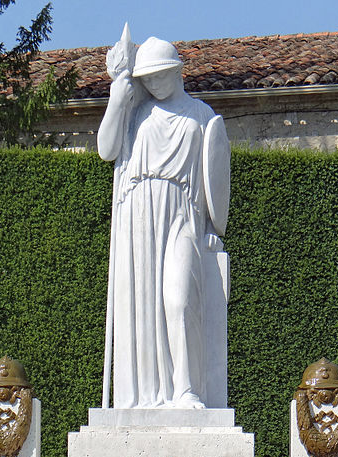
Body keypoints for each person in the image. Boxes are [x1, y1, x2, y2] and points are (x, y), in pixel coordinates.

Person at [98, 36, 229, 409]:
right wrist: (116, 99)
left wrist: (209, 228)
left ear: (177, 72)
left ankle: (186, 390)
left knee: (178, 299)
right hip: (138, 216)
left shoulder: (202, 116)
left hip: (182, 215)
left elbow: (212, 176)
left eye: (159, 76)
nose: (153, 84)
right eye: (147, 79)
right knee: (143, 309)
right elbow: (106, 150)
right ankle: (147, 396)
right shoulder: (137, 113)